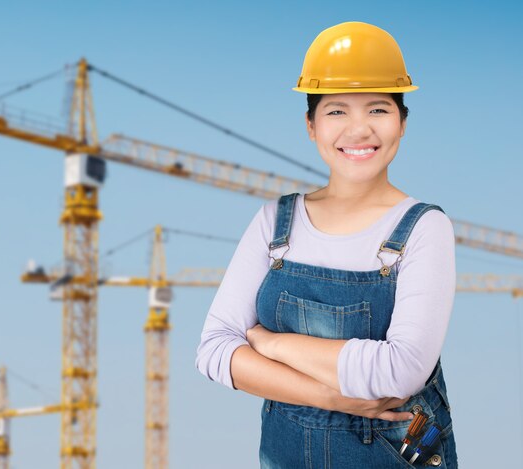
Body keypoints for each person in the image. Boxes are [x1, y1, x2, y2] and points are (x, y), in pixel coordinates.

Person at [195, 21, 458, 468]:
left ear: (402, 122)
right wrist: (334, 396)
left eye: (378, 109)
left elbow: (399, 371)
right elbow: (214, 352)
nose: (359, 131)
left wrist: (271, 345)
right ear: (310, 125)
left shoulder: (424, 228)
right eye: (337, 111)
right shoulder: (274, 223)